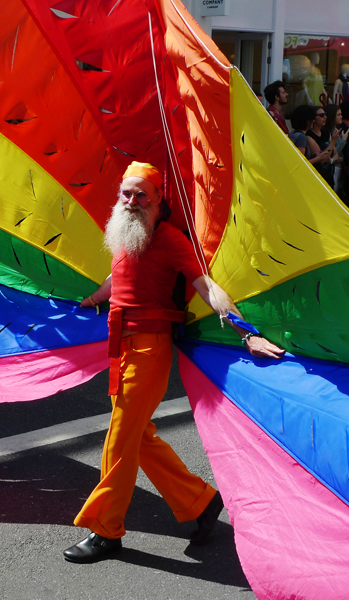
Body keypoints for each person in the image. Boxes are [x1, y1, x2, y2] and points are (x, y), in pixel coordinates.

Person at [63, 162, 283, 563]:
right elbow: (118, 279)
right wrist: (93, 300)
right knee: (137, 438)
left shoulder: (169, 239)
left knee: (118, 440)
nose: (130, 202)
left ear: (158, 199)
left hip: (149, 349)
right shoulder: (126, 234)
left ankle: (105, 529)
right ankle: (198, 503)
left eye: (140, 194)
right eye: (126, 194)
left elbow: (208, 287)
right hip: (122, 347)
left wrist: (246, 333)